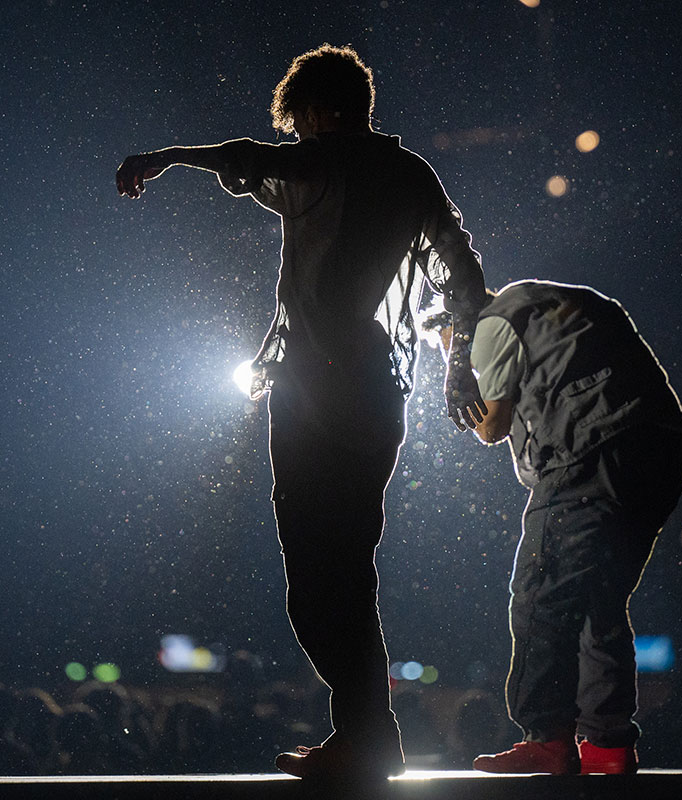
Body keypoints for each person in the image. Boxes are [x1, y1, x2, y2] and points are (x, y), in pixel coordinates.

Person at [116, 44, 488, 781]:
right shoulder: (414, 176)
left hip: (314, 391)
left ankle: (367, 738)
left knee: (316, 584)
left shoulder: (321, 164)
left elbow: (248, 156)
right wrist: (459, 364)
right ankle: (366, 736)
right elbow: (466, 273)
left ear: (316, 112)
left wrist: (165, 156)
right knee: (350, 569)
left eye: (300, 124)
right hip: (380, 387)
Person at [439, 279, 682, 774]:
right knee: (598, 595)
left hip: (587, 454)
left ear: (455, 329)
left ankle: (547, 737)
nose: (450, 358)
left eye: (445, 346)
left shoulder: (490, 327)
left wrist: (461, 384)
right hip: (658, 448)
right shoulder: (550, 301)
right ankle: (607, 744)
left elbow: (491, 426)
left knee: (541, 591)